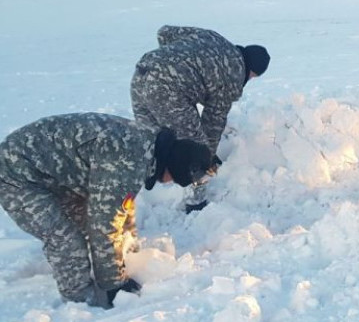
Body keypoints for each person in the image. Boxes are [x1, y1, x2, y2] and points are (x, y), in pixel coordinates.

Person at [0, 113, 212, 308]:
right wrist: (114, 285)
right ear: (172, 167)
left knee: (87, 225)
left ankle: (93, 276)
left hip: (50, 172)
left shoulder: (147, 146)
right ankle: (81, 304)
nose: (169, 183)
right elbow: (104, 225)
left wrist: (130, 255)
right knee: (66, 239)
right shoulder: (129, 161)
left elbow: (121, 207)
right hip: (16, 174)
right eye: (174, 179)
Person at [131, 25, 270, 213]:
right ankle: (196, 202)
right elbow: (213, 123)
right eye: (253, 77)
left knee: (147, 141)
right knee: (194, 147)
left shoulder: (214, 38)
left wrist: (169, 61)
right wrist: (208, 157)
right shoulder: (234, 76)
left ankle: (129, 193)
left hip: (142, 73)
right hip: (168, 91)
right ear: (252, 71)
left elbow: (164, 32)